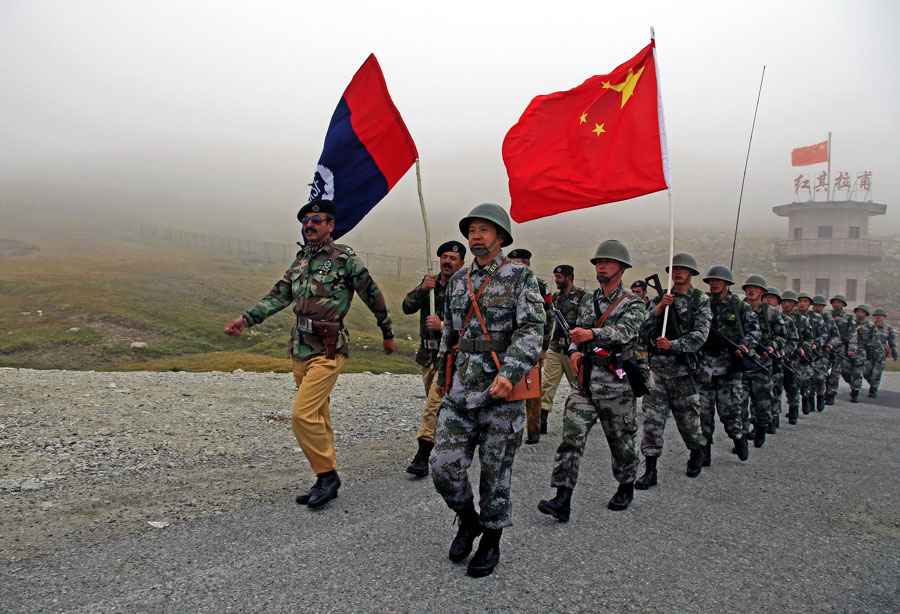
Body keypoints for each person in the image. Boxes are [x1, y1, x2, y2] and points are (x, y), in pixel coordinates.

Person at [224, 199, 395, 509]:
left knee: (302, 414)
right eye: (305, 221)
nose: (309, 225)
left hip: (328, 349)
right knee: (318, 415)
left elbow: (374, 295)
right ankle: (323, 478)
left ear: (330, 225)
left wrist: (387, 333)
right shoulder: (301, 260)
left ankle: (328, 475)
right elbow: (278, 296)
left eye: (316, 220)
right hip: (301, 347)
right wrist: (246, 319)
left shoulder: (346, 261)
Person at [430, 203, 544, 578]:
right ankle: (467, 519)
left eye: (484, 229)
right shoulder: (459, 280)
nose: (475, 235)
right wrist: (443, 374)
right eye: (471, 229)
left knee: (496, 473)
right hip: (461, 389)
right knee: (443, 466)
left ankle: (491, 538)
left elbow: (531, 330)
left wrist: (511, 372)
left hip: (501, 390)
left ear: (501, 236)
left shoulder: (519, 277)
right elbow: (450, 329)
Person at [538, 240, 646, 521]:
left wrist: (592, 336)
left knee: (621, 440)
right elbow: (577, 332)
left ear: (621, 268)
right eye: (598, 262)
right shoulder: (588, 300)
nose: (601, 266)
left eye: (607, 262)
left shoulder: (633, 302)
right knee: (571, 438)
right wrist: (574, 351)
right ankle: (562, 497)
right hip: (585, 382)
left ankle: (626, 484)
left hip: (617, 384)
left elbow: (627, 332)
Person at [635, 252, 710, 490]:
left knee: (688, 422)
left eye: (682, 269)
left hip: (683, 373)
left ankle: (697, 451)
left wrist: (674, 345)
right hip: (657, 371)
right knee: (652, 422)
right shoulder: (661, 298)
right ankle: (650, 469)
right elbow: (641, 330)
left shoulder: (699, 299)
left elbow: (701, 335)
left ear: (691, 273)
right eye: (674, 269)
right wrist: (657, 309)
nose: (677, 272)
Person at [401, 240, 466, 477]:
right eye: (444, 257)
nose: (447, 261)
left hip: (449, 356)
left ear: (462, 263)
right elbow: (406, 307)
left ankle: (422, 457)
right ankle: (450, 446)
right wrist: (420, 289)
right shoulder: (429, 284)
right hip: (428, 355)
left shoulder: (465, 288)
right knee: (441, 407)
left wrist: (444, 326)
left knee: (433, 405)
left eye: (453, 258)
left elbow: (472, 324)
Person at [697, 265, 760, 464]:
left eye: (718, 281)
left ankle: (739, 438)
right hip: (706, 368)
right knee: (703, 414)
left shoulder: (739, 305)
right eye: (711, 281)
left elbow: (755, 331)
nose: (714, 284)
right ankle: (704, 453)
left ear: (727, 283)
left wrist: (745, 345)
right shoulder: (703, 303)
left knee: (730, 413)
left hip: (730, 368)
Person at [507, 248, 553, 444]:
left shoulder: (539, 285)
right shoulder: (504, 282)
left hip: (532, 344)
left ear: (527, 264)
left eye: (518, 264)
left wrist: (543, 346)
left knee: (531, 387)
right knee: (509, 386)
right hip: (508, 344)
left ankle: (534, 429)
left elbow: (548, 316)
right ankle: (510, 432)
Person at [540, 265, 586, 436]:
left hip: (572, 349)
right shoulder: (556, 298)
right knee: (547, 385)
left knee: (578, 385)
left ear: (569, 277)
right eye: (555, 277)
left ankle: (580, 420)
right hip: (555, 347)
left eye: (559, 277)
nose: (557, 281)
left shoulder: (582, 296)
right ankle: (541, 421)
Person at [738, 275, 780, 447]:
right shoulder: (739, 309)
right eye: (748, 287)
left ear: (762, 292)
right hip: (741, 365)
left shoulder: (772, 313)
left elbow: (785, 337)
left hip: (762, 365)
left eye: (755, 287)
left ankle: (761, 428)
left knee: (762, 404)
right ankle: (741, 438)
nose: (751, 290)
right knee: (739, 404)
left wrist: (773, 347)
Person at [762, 287, 798, 432]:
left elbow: (793, 341)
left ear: (778, 302)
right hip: (761, 361)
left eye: (772, 297)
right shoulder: (755, 316)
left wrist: (782, 352)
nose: (768, 300)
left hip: (780, 361)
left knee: (777, 391)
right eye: (766, 297)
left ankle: (775, 418)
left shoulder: (786, 320)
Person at [797, 292, 836, 411]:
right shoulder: (794, 317)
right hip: (802, 353)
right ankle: (807, 401)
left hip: (818, 353)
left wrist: (817, 344)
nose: (802, 303)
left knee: (819, 378)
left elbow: (824, 334)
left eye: (805, 301)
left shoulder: (817, 318)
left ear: (809, 304)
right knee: (804, 379)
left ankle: (820, 395)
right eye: (800, 301)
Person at [780, 290, 813, 421]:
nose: (786, 304)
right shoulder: (777, 317)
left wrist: (803, 349)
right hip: (779, 355)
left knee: (793, 386)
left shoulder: (803, 320)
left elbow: (810, 339)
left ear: (794, 304)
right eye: (784, 302)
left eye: (790, 302)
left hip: (795, 358)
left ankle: (793, 409)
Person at [824, 294, 858, 405]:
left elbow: (853, 334)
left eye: (839, 302)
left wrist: (851, 348)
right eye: (834, 302)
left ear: (843, 304)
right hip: (826, 347)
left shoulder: (848, 318)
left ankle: (831, 394)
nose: (836, 304)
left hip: (840, 348)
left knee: (836, 372)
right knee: (822, 371)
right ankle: (823, 390)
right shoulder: (826, 315)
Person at [850, 305, 884, 403]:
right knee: (846, 371)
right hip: (848, 351)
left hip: (861, 351)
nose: (860, 314)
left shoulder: (870, 326)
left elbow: (876, 340)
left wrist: (878, 353)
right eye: (858, 312)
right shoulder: (851, 323)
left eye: (862, 312)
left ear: (866, 314)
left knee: (857, 372)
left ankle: (855, 392)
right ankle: (853, 386)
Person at [870, 307, 897, 397]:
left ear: (884, 317)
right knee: (867, 371)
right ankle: (872, 384)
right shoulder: (870, 326)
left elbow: (892, 341)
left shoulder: (888, 328)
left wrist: (894, 354)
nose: (878, 317)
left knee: (877, 372)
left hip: (882, 353)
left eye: (880, 315)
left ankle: (873, 390)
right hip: (870, 353)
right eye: (876, 315)